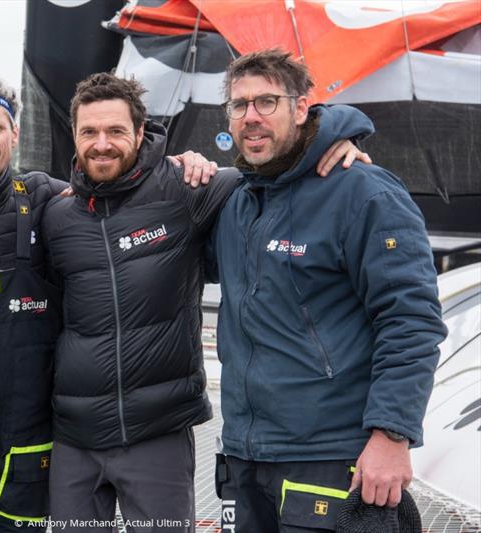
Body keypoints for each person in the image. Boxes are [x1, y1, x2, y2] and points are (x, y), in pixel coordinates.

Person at [0, 71, 218, 533]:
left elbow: (112, 184)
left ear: (14, 134)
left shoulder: (48, 200)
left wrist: (178, 164)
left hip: (25, 440)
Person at [42, 72, 367, 532]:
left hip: (156, 435)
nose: (102, 144)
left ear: (140, 133)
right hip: (73, 438)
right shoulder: (57, 214)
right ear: (73, 136)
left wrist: (341, 134)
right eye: (89, 132)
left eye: (115, 131)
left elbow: (275, 158)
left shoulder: (187, 188)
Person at [208, 49, 447, 532]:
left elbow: (411, 320)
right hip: (246, 457)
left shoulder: (363, 192)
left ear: (301, 108)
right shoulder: (236, 201)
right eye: (239, 105)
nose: (251, 117)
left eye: (267, 102)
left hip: (332, 457)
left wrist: (391, 435)